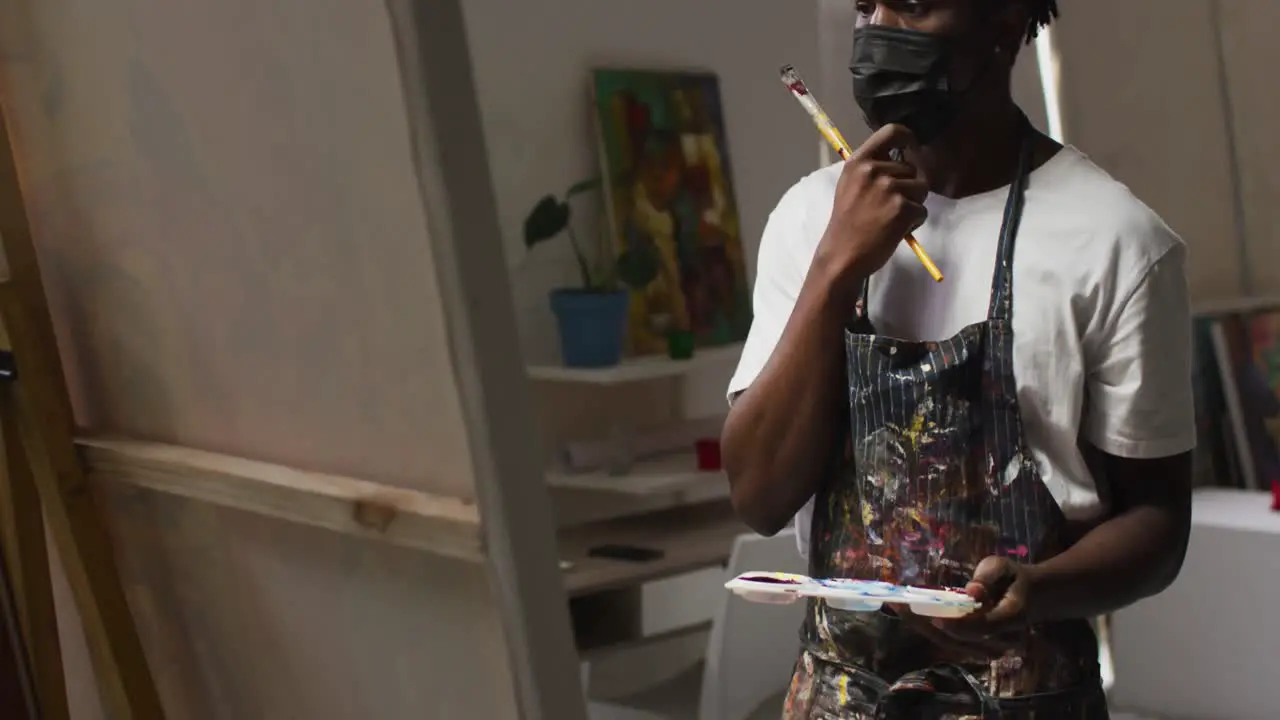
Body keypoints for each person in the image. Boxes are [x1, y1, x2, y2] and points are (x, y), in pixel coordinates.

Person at [721, 1, 1194, 718]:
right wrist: (836, 269)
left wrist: (1044, 589)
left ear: (1003, 23)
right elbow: (756, 495)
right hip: (839, 697)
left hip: (1027, 694)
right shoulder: (808, 220)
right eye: (864, 6)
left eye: (911, 5)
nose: (877, 30)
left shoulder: (1117, 243)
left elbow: (1157, 520)